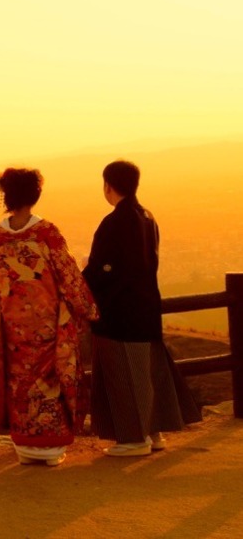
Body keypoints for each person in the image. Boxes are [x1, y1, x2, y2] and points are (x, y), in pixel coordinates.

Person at [83, 159, 201, 456]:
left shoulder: (115, 221)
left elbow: (105, 270)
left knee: (124, 375)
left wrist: (85, 273)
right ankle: (154, 432)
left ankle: (134, 439)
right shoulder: (147, 216)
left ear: (107, 186)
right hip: (146, 308)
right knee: (148, 374)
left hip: (120, 314)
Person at [0, 168, 98, 466]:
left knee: (19, 383)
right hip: (47, 325)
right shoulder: (46, 233)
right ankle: (51, 447)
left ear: (6, 196)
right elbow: (68, 275)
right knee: (49, 380)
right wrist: (88, 308)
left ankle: (25, 444)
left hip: (12, 327)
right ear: (35, 195)